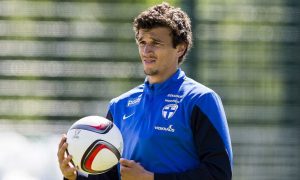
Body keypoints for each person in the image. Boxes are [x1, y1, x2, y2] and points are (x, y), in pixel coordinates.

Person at [57, 2, 233, 180]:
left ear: (180, 48)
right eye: (142, 42)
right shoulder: (120, 106)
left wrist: (151, 178)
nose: (146, 50)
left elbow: (219, 174)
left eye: (155, 43)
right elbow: (108, 177)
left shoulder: (200, 100)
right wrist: (73, 177)